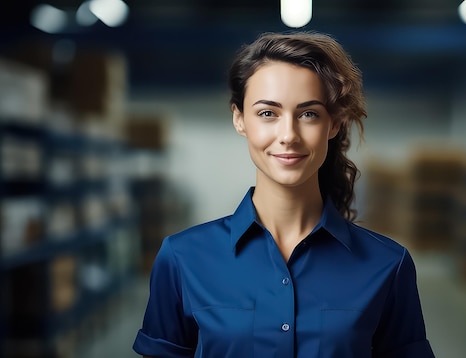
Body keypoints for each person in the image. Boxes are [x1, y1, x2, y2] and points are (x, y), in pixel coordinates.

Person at [132, 31, 435, 358]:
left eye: (308, 114)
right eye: (267, 113)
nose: (288, 135)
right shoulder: (182, 259)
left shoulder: (388, 264)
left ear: (333, 124)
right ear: (240, 119)